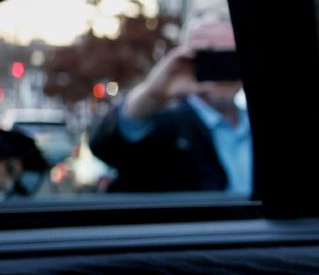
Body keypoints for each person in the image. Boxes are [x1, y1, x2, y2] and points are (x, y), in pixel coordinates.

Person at [90, 11, 252, 193]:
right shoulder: (162, 125)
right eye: (209, 57)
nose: (222, 68)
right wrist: (153, 94)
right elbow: (106, 145)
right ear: (187, 57)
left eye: (232, 56)